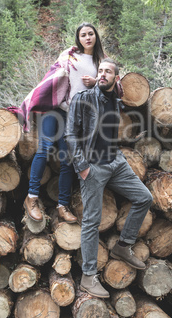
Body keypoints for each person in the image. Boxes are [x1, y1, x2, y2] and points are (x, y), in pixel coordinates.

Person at [64, 58, 153, 298]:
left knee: (144, 197)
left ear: (116, 78)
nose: (102, 74)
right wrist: (82, 167)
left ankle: (123, 247)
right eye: (100, 71)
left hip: (116, 162)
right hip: (93, 167)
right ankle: (88, 276)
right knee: (92, 220)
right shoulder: (82, 99)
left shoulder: (115, 98)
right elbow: (70, 134)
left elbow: (124, 89)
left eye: (108, 72)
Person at [10, 22, 105, 223]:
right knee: (44, 149)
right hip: (55, 110)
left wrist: (96, 82)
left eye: (90, 34)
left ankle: (62, 205)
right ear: (77, 38)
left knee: (67, 160)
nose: (87, 37)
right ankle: (32, 197)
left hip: (75, 117)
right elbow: (54, 78)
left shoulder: (100, 62)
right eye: (83, 35)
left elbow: (112, 84)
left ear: (95, 36)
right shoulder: (70, 55)